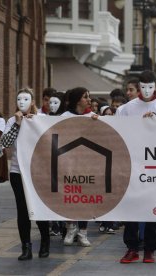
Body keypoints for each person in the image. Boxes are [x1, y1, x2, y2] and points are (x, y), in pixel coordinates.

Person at [116, 70, 156, 264]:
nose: (147, 90)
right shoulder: (128, 108)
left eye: (150, 86)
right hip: (134, 162)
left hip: (155, 164)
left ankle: (149, 249)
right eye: (143, 86)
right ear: (139, 86)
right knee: (131, 205)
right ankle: (132, 247)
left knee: (152, 206)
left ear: (155, 86)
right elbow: (119, 132)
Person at [1, 88, 50, 260]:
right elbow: (5, 143)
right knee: (22, 210)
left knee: (38, 207)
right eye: (19, 99)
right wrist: (17, 124)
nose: (21, 102)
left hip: (38, 172)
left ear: (33, 102)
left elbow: (50, 141)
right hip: (17, 171)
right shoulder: (11, 121)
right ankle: (26, 247)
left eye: (25, 99)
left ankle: (45, 242)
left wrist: (34, 123)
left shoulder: (42, 119)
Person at [61, 87, 96, 247]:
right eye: (85, 97)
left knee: (85, 198)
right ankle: (70, 228)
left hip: (87, 165)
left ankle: (83, 232)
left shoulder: (92, 117)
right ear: (77, 100)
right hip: (68, 164)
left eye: (89, 96)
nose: (88, 99)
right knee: (70, 197)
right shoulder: (65, 117)